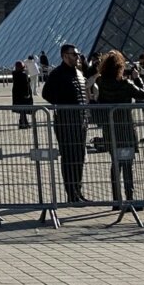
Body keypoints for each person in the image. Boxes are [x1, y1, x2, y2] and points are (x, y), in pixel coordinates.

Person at [93, 51, 144, 208]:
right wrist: (137, 78)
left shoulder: (101, 82)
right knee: (127, 163)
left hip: (110, 129)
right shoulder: (125, 84)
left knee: (115, 163)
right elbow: (143, 95)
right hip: (125, 128)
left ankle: (116, 200)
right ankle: (130, 198)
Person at [41, 44, 89, 204]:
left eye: (78, 53)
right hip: (66, 122)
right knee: (69, 157)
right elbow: (46, 93)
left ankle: (78, 191)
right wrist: (63, 105)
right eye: (74, 54)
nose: (78, 57)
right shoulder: (57, 74)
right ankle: (71, 193)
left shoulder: (79, 73)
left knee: (79, 157)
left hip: (81, 121)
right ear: (64, 56)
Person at [10, 60, 33, 128]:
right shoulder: (23, 75)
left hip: (17, 94)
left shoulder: (15, 74)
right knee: (24, 109)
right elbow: (26, 85)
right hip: (24, 95)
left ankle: (23, 122)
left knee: (22, 109)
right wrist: (27, 94)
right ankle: (23, 123)